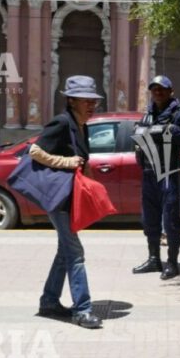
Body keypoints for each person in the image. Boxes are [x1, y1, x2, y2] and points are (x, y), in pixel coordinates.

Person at [30, 75, 104, 330]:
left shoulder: (80, 125)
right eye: (85, 100)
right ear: (71, 100)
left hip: (70, 197)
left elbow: (83, 160)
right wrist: (66, 162)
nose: (91, 105)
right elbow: (35, 152)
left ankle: (49, 301)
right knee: (75, 253)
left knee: (65, 252)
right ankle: (82, 310)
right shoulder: (62, 122)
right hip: (59, 198)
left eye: (93, 100)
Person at [131, 75, 180, 280]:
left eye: (162, 89)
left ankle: (172, 263)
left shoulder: (179, 114)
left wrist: (171, 131)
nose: (157, 92)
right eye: (154, 89)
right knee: (149, 219)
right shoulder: (148, 115)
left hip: (169, 173)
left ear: (170, 91)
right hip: (149, 173)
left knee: (171, 220)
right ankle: (153, 259)